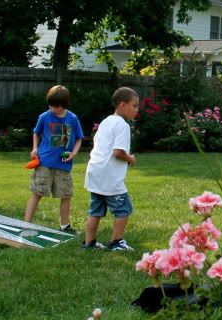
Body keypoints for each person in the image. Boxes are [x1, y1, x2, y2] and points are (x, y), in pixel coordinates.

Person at [83, 86, 139, 252]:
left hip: (95, 172)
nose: (137, 110)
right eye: (134, 106)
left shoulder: (106, 121)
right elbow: (118, 152)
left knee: (95, 210)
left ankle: (89, 243)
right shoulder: (122, 125)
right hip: (110, 177)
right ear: (123, 105)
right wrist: (131, 159)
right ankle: (116, 242)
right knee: (123, 209)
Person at [25, 85, 83, 232]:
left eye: (54, 106)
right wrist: (35, 148)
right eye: (50, 104)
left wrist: (74, 154)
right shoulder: (44, 117)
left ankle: (65, 226)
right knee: (37, 193)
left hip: (63, 165)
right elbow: (36, 133)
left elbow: (78, 139)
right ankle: (26, 224)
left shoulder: (73, 118)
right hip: (44, 163)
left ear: (62, 105)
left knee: (66, 195)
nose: (51, 108)